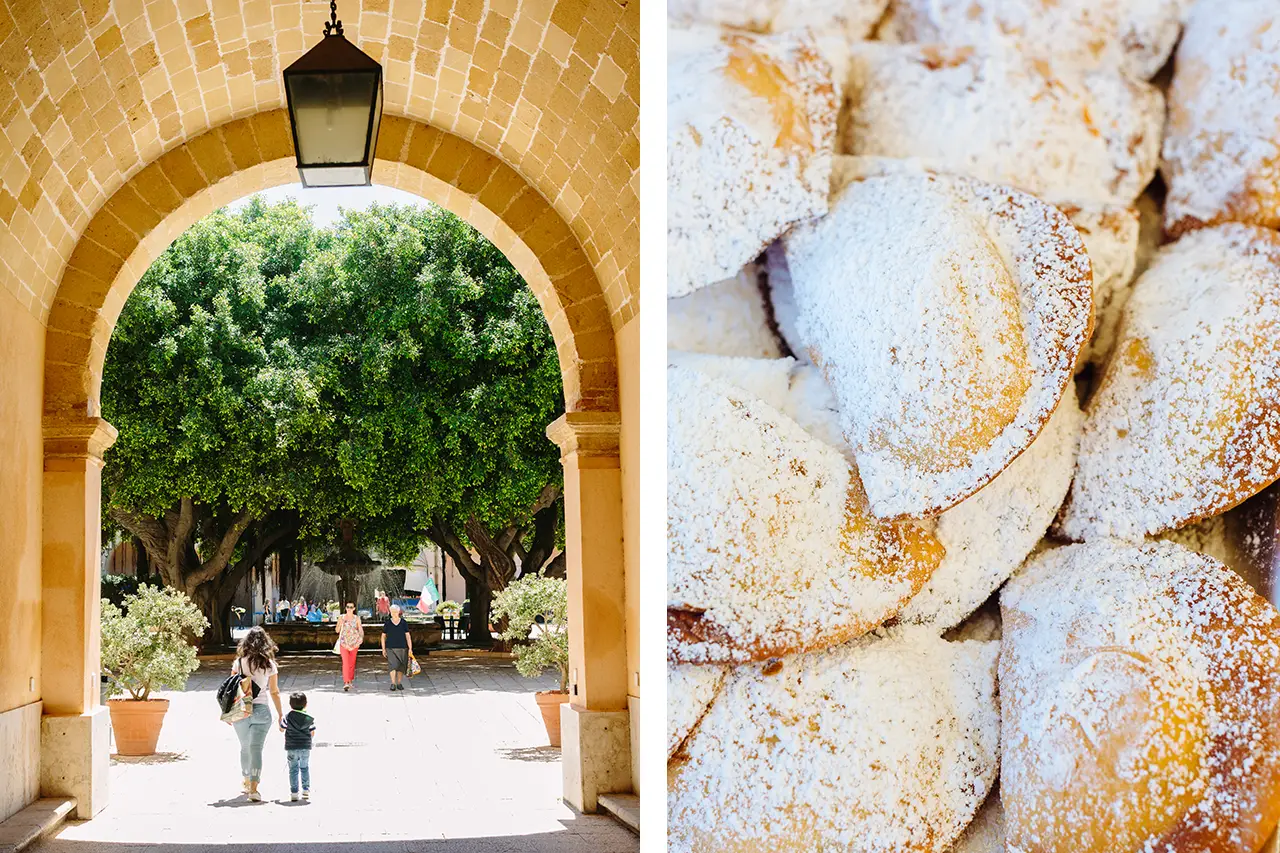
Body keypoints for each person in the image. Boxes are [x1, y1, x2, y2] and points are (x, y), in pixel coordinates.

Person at [231, 627, 283, 802]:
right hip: (262, 710)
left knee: (245, 747)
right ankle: (254, 788)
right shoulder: (269, 664)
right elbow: (274, 692)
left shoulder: (239, 663)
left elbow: (232, 688)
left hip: (242, 711)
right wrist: (281, 714)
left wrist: (229, 712)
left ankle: (246, 780)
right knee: (256, 749)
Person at [279, 692, 316, 802]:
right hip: (305, 746)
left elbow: (282, 728)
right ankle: (305, 790)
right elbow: (312, 732)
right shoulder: (308, 718)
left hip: (291, 747)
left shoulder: (288, 717)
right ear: (305, 704)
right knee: (304, 767)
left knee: (293, 769)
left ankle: (294, 792)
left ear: (290, 705)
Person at [380, 604, 414, 691]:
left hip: (403, 647)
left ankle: (399, 683)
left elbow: (408, 636)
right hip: (390, 648)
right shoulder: (387, 623)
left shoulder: (403, 622)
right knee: (392, 665)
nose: (394, 613)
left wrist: (410, 648)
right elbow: (383, 636)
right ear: (390, 613)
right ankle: (393, 683)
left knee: (401, 666)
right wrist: (383, 649)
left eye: (395, 612)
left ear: (399, 612)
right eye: (392, 612)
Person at [335, 602, 363, 691]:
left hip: (354, 643)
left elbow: (360, 629)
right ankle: (346, 682)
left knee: (352, 663)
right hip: (344, 643)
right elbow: (337, 630)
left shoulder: (357, 618)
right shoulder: (341, 617)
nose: (349, 609)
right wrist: (340, 623)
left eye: (351, 607)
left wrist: (361, 638)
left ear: (354, 608)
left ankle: (350, 680)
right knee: (345, 662)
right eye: (348, 607)